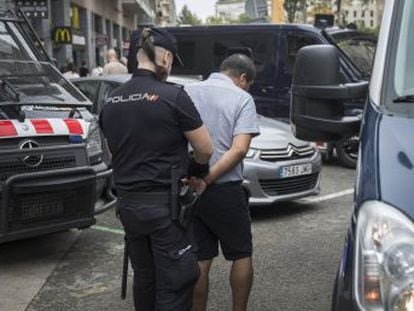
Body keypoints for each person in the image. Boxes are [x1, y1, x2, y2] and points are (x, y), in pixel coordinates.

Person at [99, 27, 214, 311]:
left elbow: (113, 151)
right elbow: (205, 148)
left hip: (129, 207)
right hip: (165, 209)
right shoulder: (173, 95)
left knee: (146, 278)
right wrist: (197, 172)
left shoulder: (111, 101)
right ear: (164, 57)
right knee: (175, 281)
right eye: (172, 59)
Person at [185, 54, 260, 311]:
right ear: (242, 78)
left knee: (200, 259)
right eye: (248, 83)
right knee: (241, 254)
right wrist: (208, 178)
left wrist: (197, 178)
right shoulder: (242, 98)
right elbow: (239, 150)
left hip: (190, 188)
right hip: (225, 189)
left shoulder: (187, 91)